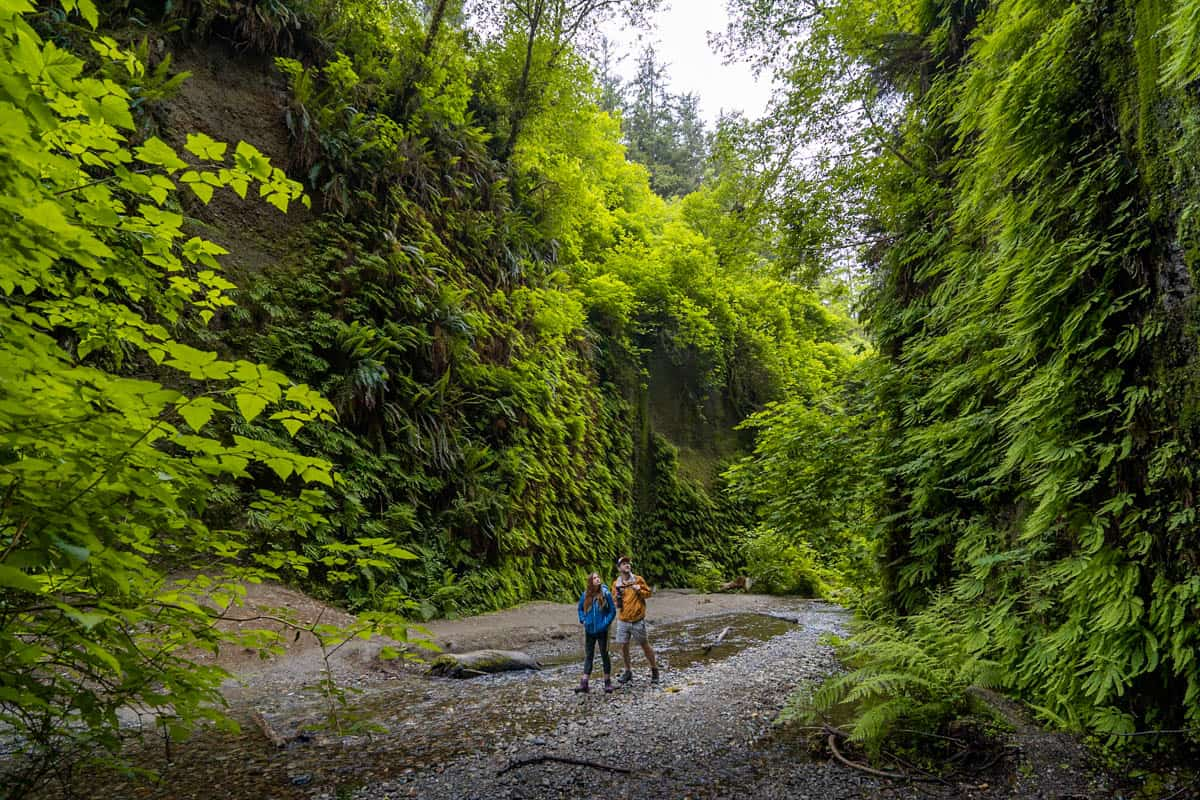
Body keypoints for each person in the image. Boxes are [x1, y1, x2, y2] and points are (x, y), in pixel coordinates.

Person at [611, 555, 659, 685]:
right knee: (623, 646)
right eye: (624, 563)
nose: (627, 565)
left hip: (638, 620)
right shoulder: (616, 584)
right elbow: (614, 602)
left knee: (645, 645)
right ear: (619, 568)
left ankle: (654, 670)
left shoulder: (638, 579)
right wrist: (618, 596)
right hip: (623, 620)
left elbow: (648, 594)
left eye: (628, 563)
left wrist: (639, 590)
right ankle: (628, 672)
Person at [575, 572, 616, 693]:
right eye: (594, 578)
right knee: (589, 655)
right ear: (590, 581)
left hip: (602, 630)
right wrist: (583, 619)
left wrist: (605, 623)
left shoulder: (605, 593)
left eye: (598, 577)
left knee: (604, 655)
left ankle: (607, 682)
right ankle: (584, 683)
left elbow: (612, 611)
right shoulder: (585, 595)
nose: (597, 579)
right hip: (589, 630)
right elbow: (580, 609)